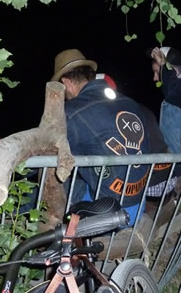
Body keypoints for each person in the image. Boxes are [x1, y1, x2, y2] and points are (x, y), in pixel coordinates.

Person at [52, 49, 151, 226]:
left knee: (38, 194)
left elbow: (43, 152)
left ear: (66, 83)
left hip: (109, 215)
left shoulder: (72, 112)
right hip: (137, 204)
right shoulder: (130, 103)